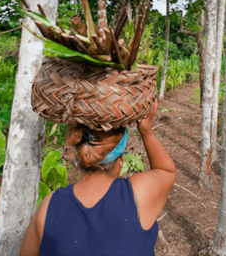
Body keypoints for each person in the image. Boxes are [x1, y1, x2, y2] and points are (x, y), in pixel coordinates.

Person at [19, 99, 176, 256]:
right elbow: (167, 171)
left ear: (78, 155)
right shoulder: (138, 195)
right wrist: (146, 132)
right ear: (120, 162)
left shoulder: (48, 207)